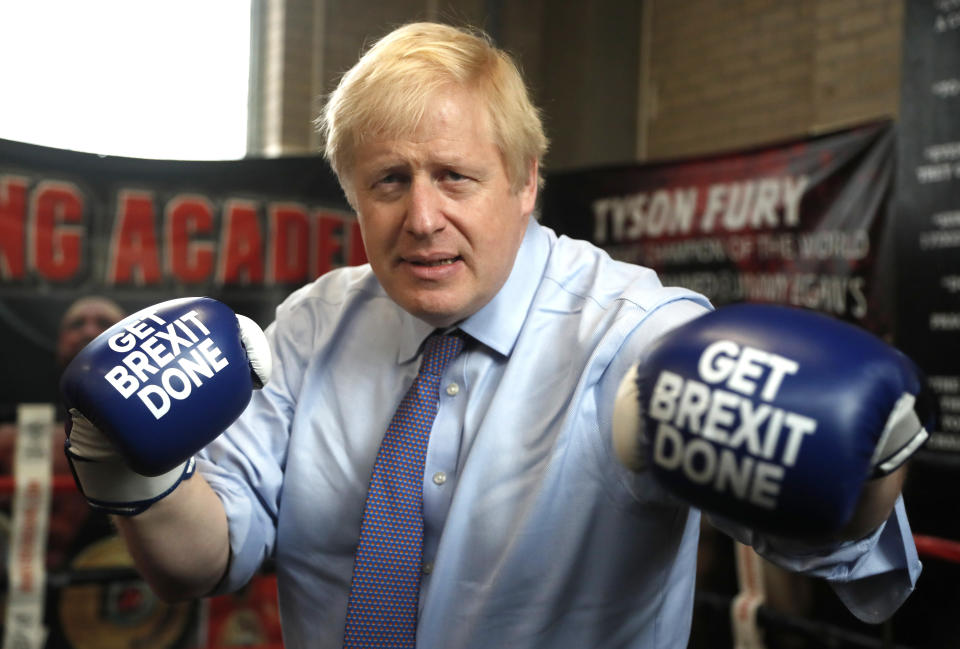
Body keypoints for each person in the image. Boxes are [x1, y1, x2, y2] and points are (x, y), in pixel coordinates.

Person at [62, 22, 923, 649]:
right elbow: (207, 558)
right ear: (354, 198)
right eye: (389, 181)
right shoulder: (310, 326)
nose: (423, 218)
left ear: (524, 182)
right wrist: (125, 472)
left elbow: (845, 549)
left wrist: (869, 463)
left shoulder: (633, 339)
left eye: (455, 177)